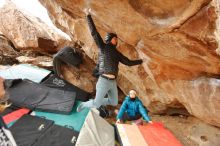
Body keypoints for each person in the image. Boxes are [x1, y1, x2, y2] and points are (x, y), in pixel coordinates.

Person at [77, 8, 143, 112]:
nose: (116, 40)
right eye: (114, 38)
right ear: (109, 38)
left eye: (117, 39)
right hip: (103, 80)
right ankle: (85, 104)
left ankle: (96, 101)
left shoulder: (117, 53)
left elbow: (128, 62)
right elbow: (94, 33)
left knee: (114, 102)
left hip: (112, 82)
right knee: (96, 104)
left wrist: (141, 61)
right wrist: (88, 16)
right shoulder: (102, 47)